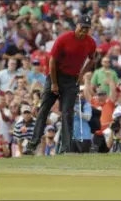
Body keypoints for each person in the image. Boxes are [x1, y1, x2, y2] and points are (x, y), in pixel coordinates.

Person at [24, 15, 96, 155]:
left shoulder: (90, 42)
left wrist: (82, 73)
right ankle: (33, 144)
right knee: (44, 109)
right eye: (82, 28)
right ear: (77, 26)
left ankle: (66, 148)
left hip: (71, 81)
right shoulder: (64, 38)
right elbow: (52, 61)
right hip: (55, 76)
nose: (84, 31)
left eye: (87, 29)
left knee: (67, 112)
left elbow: (92, 59)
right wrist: (54, 83)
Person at [72, 85, 92, 153]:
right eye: (78, 92)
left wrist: (77, 112)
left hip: (84, 136)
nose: (79, 94)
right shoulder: (70, 104)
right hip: (73, 135)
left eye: (81, 92)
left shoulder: (86, 104)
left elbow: (88, 117)